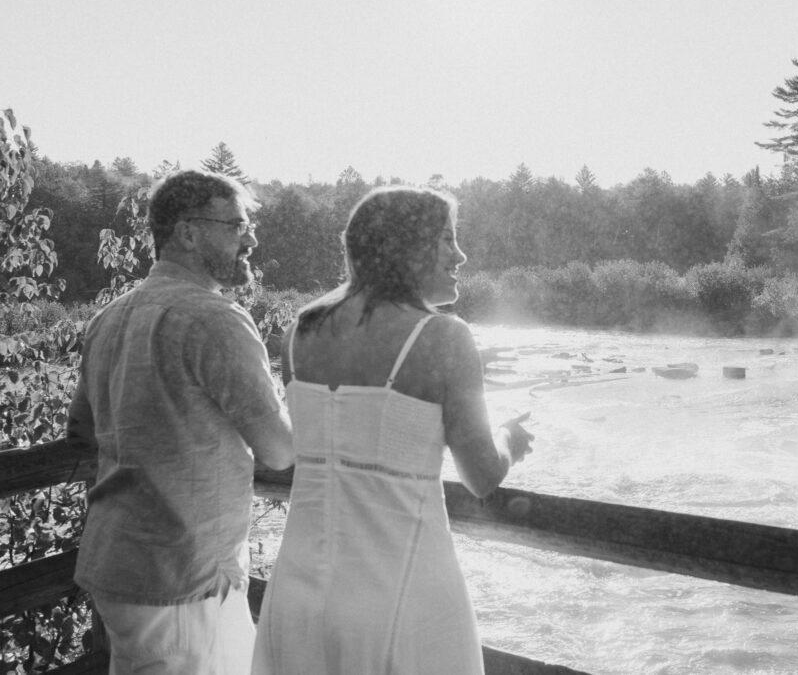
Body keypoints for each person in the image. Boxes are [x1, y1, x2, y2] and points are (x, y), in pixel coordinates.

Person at [252, 186, 533, 675]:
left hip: (298, 590)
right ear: (408, 245)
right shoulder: (445, 336)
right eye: (448, 239)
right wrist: (510, 438)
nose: (461, 255)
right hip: (403, 595)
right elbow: (481, 475)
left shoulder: (299, 332)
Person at [66, 170, 294, 675]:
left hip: (120, 561)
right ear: (188, 232)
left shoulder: (109, 316)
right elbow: (279, 451)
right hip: (183, 575)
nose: (251, 238)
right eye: (236, 226)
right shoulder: (216, 320)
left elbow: (79, 429)